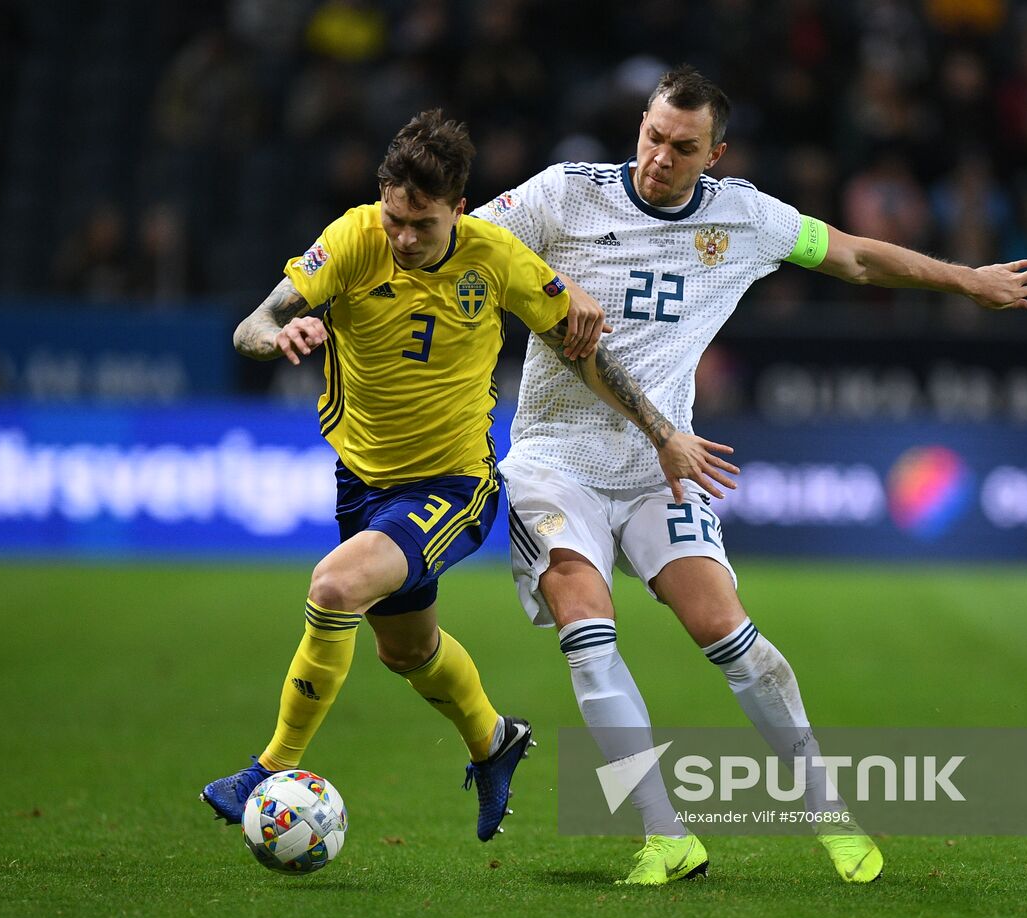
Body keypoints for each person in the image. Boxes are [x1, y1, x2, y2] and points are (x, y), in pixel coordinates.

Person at [474, 66, 1027, 884]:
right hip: (554, 458)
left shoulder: (744, 217)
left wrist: (967, 280)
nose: (659, 158)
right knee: (584, 618)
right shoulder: (564, 194)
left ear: (716, 154)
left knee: (728, 632)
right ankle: (665, 835)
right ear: (639, 123)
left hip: (661, 465)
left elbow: (851, 256)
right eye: (651, 136)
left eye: (682, 148)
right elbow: (469, 245)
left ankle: (828, 814)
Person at [200, 109, 737, 842]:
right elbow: (252, 324)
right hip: (362, 483)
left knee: (333, 587)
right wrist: (279, 332)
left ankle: (267, 768)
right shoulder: (354, 239)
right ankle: (495, 741)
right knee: (408, 652)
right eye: (395, 217)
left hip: (453, 486)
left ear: (459, 206)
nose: (404, 237)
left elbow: (585, 353)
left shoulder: (496, 256)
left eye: (421, 223)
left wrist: (662, 432)